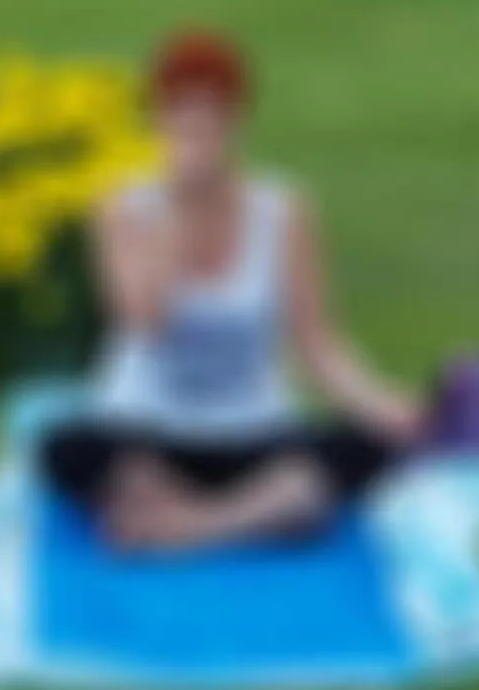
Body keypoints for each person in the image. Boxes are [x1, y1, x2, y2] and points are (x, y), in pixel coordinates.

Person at [41, 29, 418, 551]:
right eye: (181, 115)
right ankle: (252, 514)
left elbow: (318, 343)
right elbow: (143, 319)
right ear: (158, 120)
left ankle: (192, 525)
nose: (198, 132)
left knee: (363, 448)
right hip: (148, 429)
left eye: (212, 116)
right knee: (64, 447)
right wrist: (176, 207)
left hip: (253, 430)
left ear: (236, 120)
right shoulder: (123, 209)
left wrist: (380, 404)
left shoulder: (284, 211)